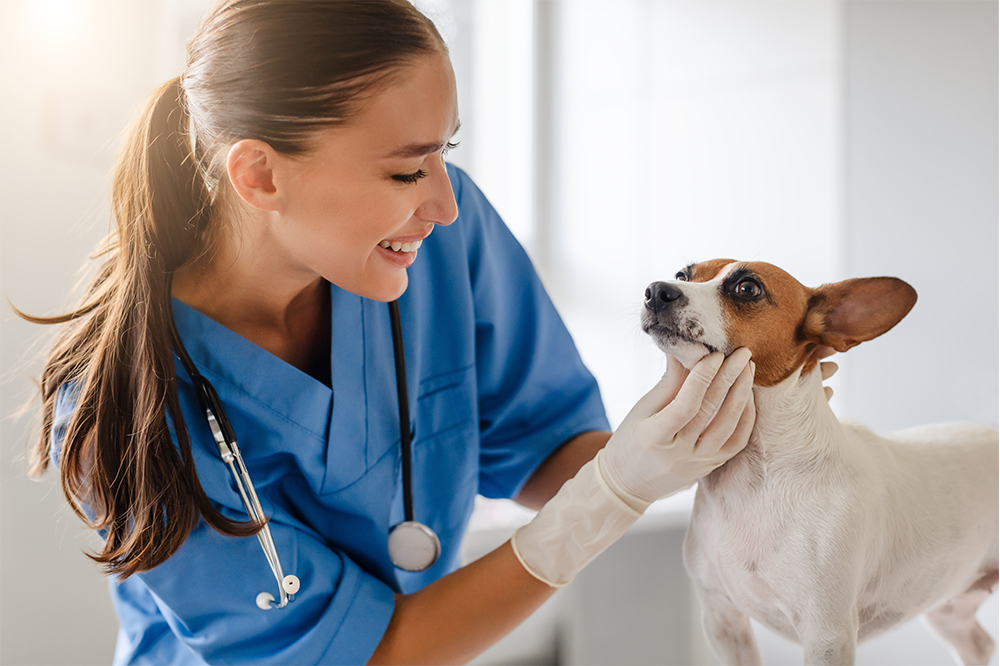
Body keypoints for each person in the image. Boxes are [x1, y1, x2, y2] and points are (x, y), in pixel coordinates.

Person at [21, 1, 764, 663]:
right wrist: (611, 494)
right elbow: (370, 654)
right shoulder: (123, 414)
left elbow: (547, 448)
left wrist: (708, 437)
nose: (444, 203)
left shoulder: (443, 238)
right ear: (260, 177)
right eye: (408, 172)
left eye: (448, 153)